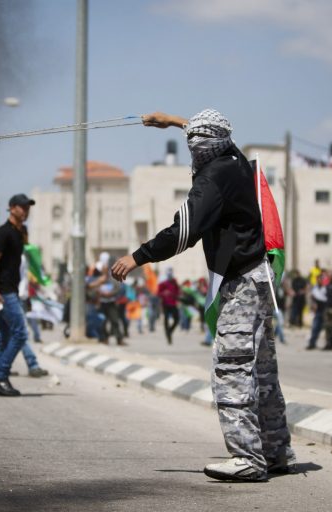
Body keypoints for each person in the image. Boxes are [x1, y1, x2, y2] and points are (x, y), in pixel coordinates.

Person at [111, 110, 295, 482]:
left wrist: (137, 256)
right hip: (258, 279)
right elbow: (209, 131)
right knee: (262, 371)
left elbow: (184, 231)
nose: (193, 151)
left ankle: (248, 458)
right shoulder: (235, 158)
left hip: (241, 283)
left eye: (196, 145)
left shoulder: (213, 177)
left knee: (232, 369)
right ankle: (275, 453)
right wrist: (175, 121)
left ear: (204, 148)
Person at [0, 193, 36, 396]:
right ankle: (0, 376)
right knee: (20, 333)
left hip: (12, 289)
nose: (26, 211)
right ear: (12, 208)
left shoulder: (20, 231)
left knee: (3, 335)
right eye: (22, 207)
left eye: (28, 208)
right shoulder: (3, 232)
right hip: (4, 292)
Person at [157, 267, 180, 344]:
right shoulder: (163, 283)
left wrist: (173, 295)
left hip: (173, 304)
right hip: (165, 304)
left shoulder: (175, 283)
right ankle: (168, 336)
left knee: (177, 319)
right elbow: (158, 293)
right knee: (166, 320)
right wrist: (164, 293)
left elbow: (178, 293)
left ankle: (170, 331)